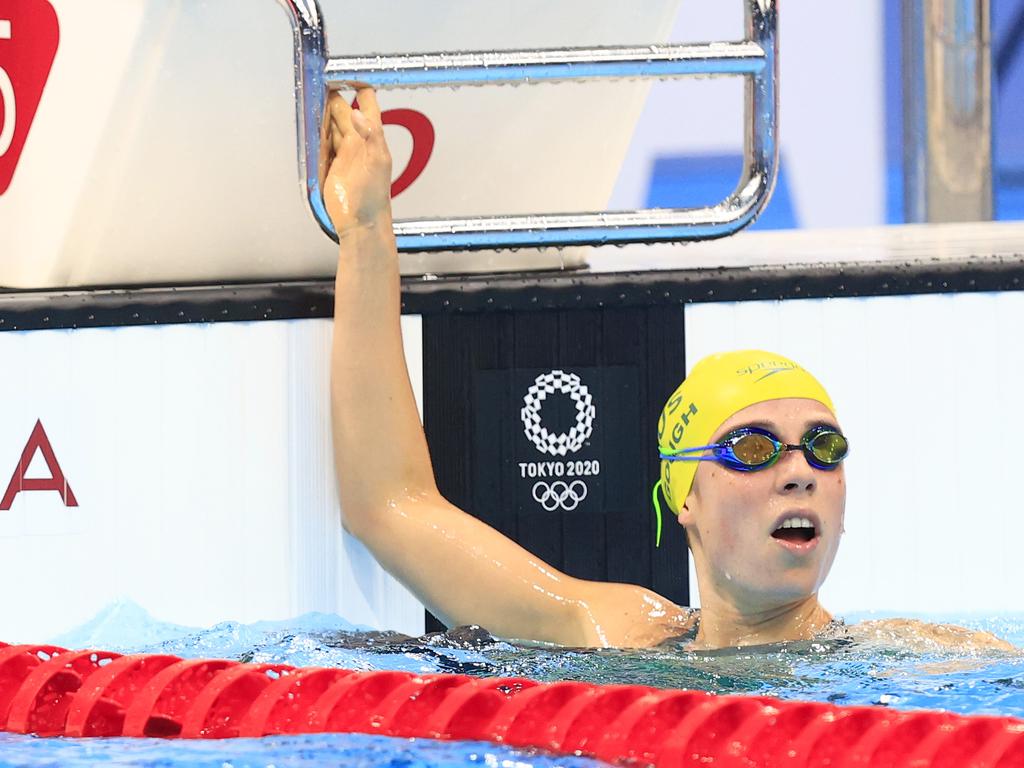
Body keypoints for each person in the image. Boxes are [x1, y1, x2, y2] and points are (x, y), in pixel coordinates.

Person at [324, 88, 1014, 652]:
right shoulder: (612, 631)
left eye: (825, 447)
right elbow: (388, 507)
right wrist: (367, 228)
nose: (802, 470)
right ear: (686, 499)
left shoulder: (912, 656)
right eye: (753, 447)